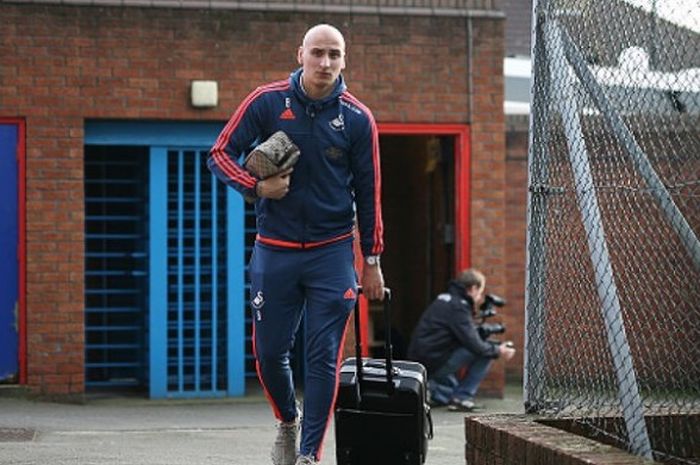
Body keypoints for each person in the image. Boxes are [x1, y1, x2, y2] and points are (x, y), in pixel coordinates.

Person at [207, 24, 384, 465]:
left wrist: (373, 259)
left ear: (345, 60)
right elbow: (219, 153)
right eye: (318, 53)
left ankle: (308, 455)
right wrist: (255, 187)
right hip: (275, 249)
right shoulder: (267, 101)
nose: (326, 63)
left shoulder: (358, 118)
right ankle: (287, 420)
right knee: (269, 353)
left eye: (335, 55)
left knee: (322, 358)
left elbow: (370, 192)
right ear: (300, 54)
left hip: (331, 252)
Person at [407, 269, 515, 411]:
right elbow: (474, 344)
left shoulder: (446, 298)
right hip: (433, 362)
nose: (480, 296)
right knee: (486, 351)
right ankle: (462, 398)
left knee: (450, 390)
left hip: (425, 359)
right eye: (480, 291)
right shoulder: (458, 306)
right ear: (473, 288)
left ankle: (434, 391)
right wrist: (498, 350)